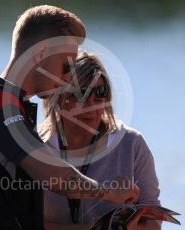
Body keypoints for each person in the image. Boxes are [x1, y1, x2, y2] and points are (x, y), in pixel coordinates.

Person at [0, 5, 139, 230]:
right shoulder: (0, 103)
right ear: (41, 53)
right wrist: (107, 192)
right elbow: (54, 174)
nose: (66, 79)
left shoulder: (14, 106)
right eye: (65, 67)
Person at [40, 52, 161, 229]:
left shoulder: (132, 144)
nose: (92, 106)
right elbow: (22, 223)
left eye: (100, 93)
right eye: (81, 95)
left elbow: (154, 221)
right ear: (58, 98)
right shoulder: (35, 146)